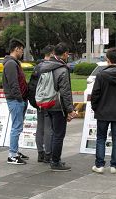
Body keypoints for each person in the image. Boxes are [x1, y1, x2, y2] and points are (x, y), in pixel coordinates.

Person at [91, 48, 116, 174]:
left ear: (107, 60)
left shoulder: (101, 75)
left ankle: (99, 165)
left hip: (102, 111)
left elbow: (95, 94)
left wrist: (95, 107)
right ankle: (115, 165)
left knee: (101, 138)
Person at [36, 43, 76, 171]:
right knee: (59, 134)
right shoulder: (62, 69)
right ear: (64, 54)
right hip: (58, 105)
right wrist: (70, 109)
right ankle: (55, 162)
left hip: (46, 103)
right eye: (67, 54)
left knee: (53, 132)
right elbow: (65, 92)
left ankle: (54, 158)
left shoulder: (45, 66)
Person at [2, 39, 29, 165]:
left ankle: (15, 151)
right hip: (15, 100)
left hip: (19, 99)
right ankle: (12, 155)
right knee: (16, 127)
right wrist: (19, 99)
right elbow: (14, 83)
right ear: (16, 49)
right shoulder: (11, 64)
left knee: (17, 126)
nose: (22, 52)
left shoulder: (14, 63)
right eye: (22, 49)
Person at [27, 44, 54, 163]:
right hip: (48, 100)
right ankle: (48, 154)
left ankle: (40, 153)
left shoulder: (37, 67)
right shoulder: (51, 67)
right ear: (52, 54)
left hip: (37, 101)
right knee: (49, 128)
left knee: (40, 126)